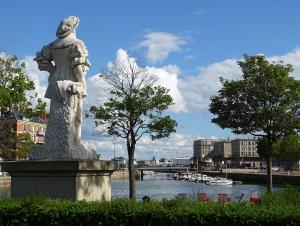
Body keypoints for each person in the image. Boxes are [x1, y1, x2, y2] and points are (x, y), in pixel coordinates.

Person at [29, 16, 95, 159]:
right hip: (71, 83)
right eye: (63, 24)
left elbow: (42, 61)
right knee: (75, 117)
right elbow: (77, 66)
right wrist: (82, 83)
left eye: (66, 24)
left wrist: (53, 71)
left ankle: (60, 145)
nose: (63, 27)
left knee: (56, 114)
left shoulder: (52, 45)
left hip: (55, 83)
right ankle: (72, 144)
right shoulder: (76, 44)